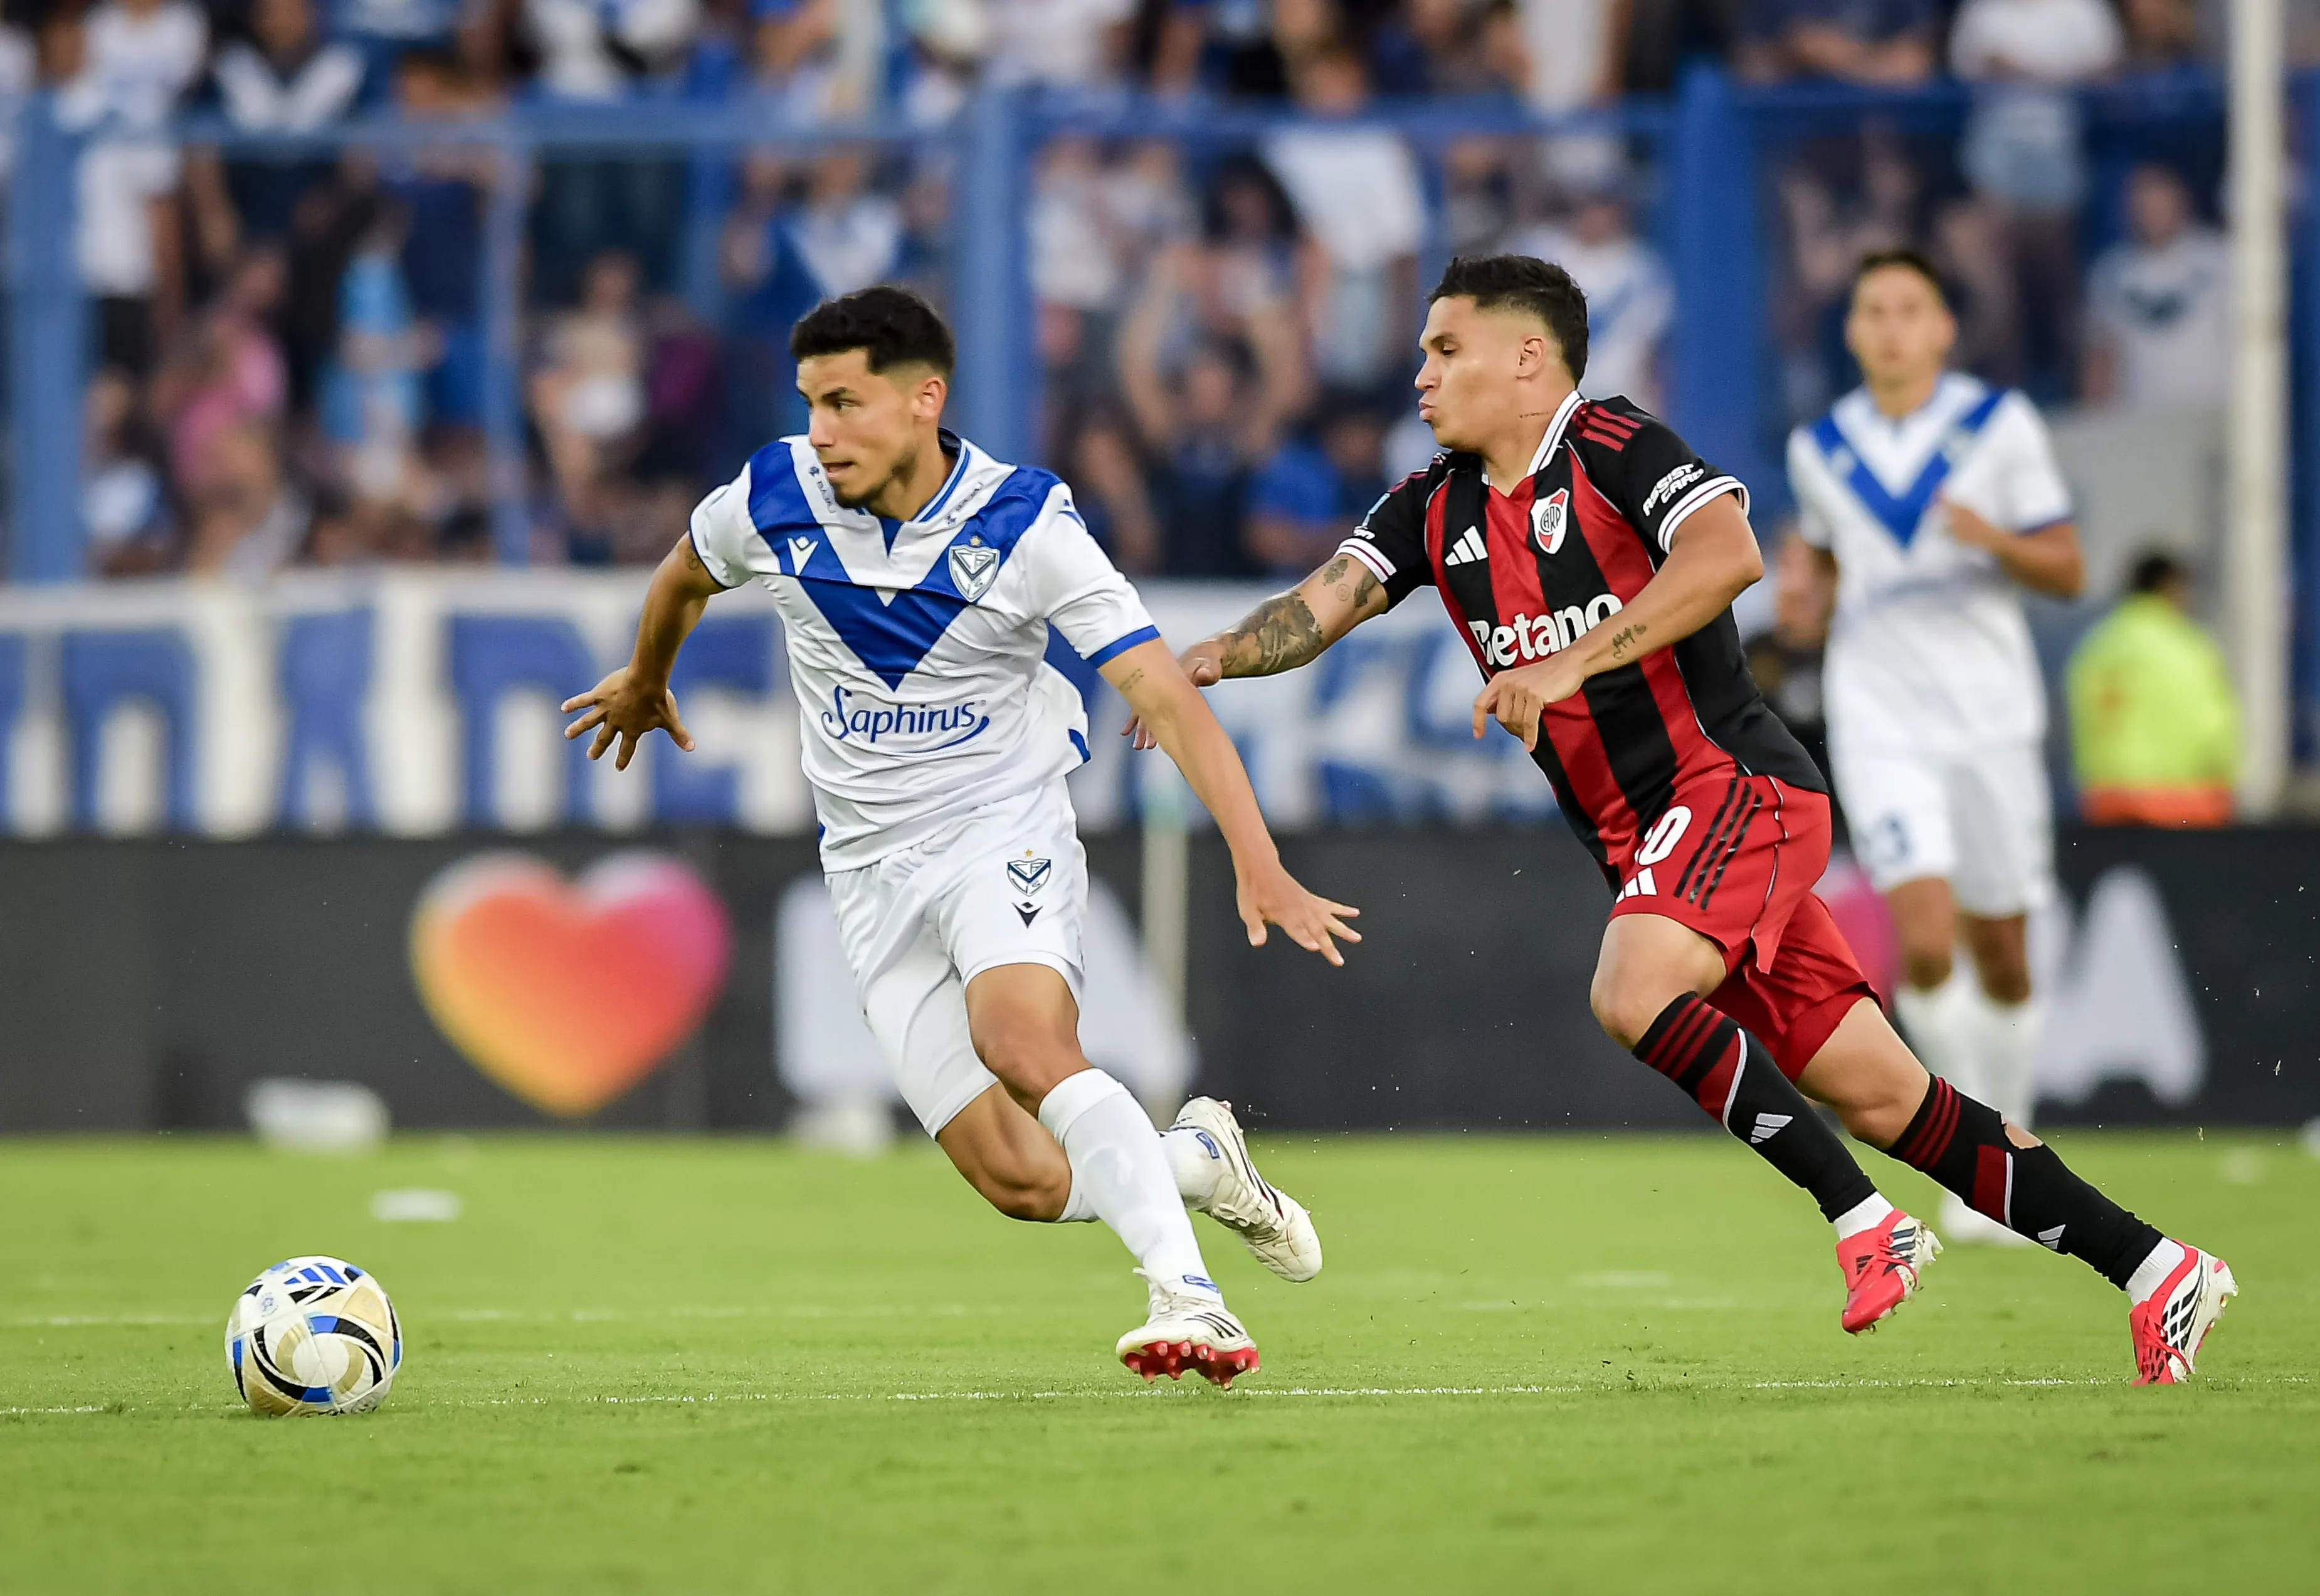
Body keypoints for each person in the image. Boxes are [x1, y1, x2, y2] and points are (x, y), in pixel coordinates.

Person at [1133, 253, 2235, 1384]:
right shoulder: (1433, 506)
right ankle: (2158, 1269)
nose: (1420, 374)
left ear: (1529, 359)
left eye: (1444, 349)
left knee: (1631, 988)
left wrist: (1572, 660)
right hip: (1653, 844)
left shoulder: (1613, 445)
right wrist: (1215, 656)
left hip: (1737, 791)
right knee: (1890, 1096)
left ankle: (1862, 1220)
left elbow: (1730, 555)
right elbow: (1320, 605)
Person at [562, 285, 1357, 1386]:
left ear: (925, 399)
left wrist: (1258, 858)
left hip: (1002, 828)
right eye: (810, 403)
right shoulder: (774, 495)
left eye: (845, 403)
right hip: (868, 873)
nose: (822, 431)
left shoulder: (1023, 524)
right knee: (1022, 1183)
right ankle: (1198, 1163)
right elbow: (684, 573)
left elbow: (1165, 694)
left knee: (1024, 1043)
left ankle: (1192, 1298)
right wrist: (648, 680)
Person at [1787, 248, 2077, 1246]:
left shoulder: (1999, 427)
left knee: (2003, 950)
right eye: (1874, 310)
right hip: (1881, 716)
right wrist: (1799, 600)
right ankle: (1978, 1166)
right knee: (1922, 937)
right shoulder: (1819, 445)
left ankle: (2016, 1128)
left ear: (1945, 327)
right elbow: (1818, 574)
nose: (1893, 327)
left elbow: (2069, 566)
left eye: (1911, 309)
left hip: (1992, 717)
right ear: (1855, 331)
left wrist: (1993, 538)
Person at [2067, 552, 2240, 826]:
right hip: (2185, 799)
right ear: (2169, 586)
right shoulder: (2190, 646)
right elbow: (2215, 724)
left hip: (2110, 797)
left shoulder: (2098, 645)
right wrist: (2226, 777)